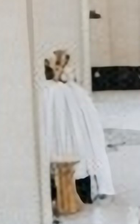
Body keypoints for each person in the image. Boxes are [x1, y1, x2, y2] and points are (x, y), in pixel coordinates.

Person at [42, 48, 115, 200]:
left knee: (74, 134)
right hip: (61, 100)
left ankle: (76, 180)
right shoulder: (54, 91)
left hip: (69, 102)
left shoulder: (67, 90)